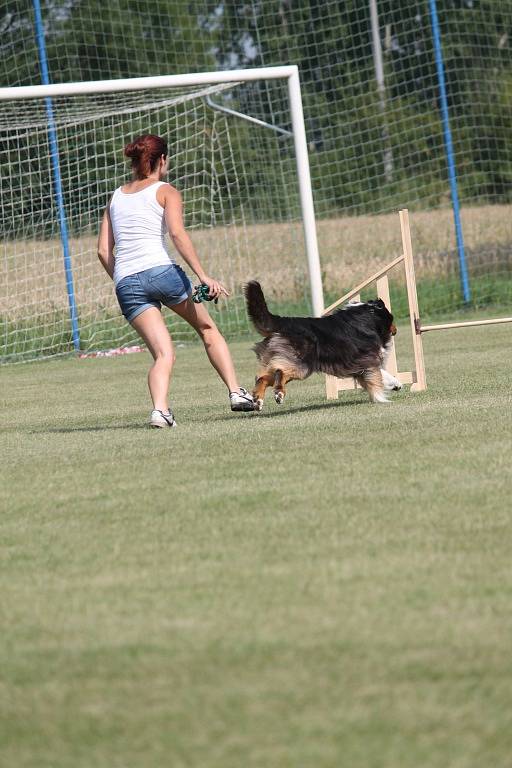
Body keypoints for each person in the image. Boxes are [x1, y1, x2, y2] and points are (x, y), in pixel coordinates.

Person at [97, 133, 254, 427]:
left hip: (127, 283)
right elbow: (178, 234)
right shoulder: (167, 191)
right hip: (162, 272)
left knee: (163, 353)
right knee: (208, 329)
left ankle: (160, 411)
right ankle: (236, 393)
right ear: (162, 160)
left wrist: (122, 277)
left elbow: (103, 251)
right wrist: (203, 276)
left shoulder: (115, 197)